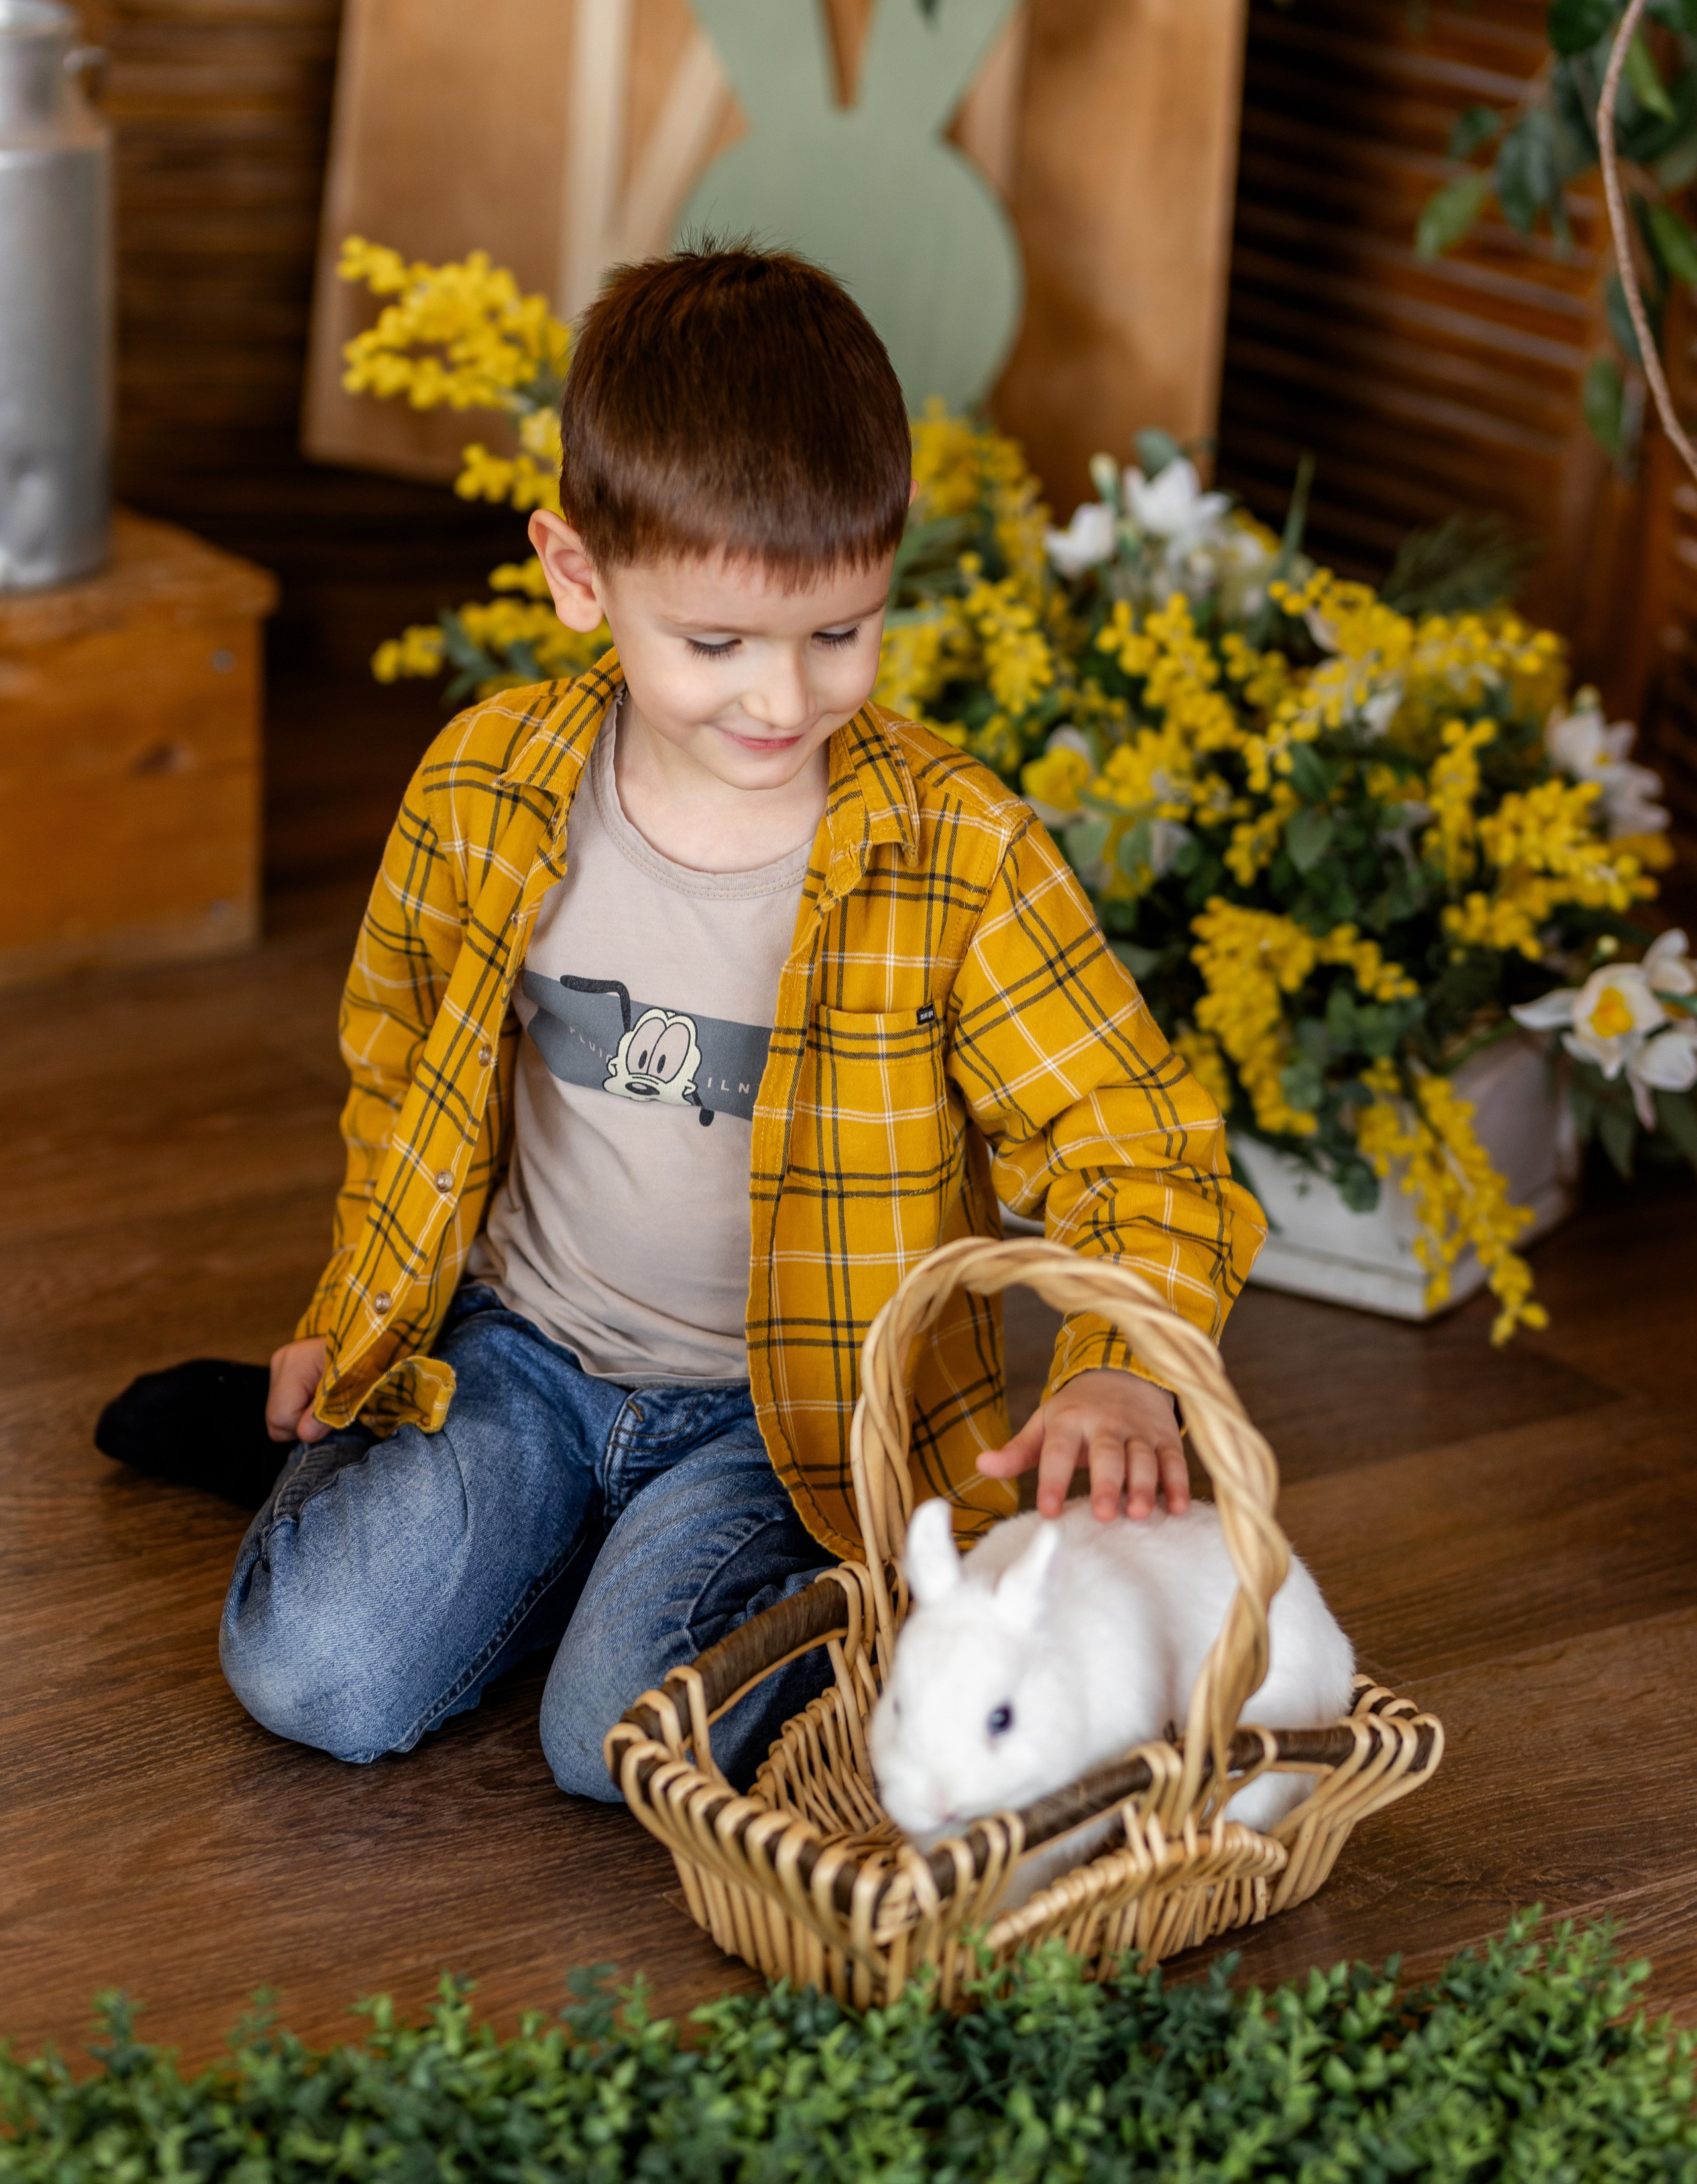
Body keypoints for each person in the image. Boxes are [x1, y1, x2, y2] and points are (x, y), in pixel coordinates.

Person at [215, 245, 1265, 1797]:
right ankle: (504, 1531)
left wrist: (1117, 1364)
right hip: (529, 1354)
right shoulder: (485, 786)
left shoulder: (956, 853)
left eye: (840, 632)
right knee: (312, 1674)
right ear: (579, 576)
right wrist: (348, 1303)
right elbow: (400, 1067)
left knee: (620, 1750)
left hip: (789, 1421)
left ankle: (607, 1578)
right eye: (715, 644)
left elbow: (1139, 1147)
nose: (781, 698)